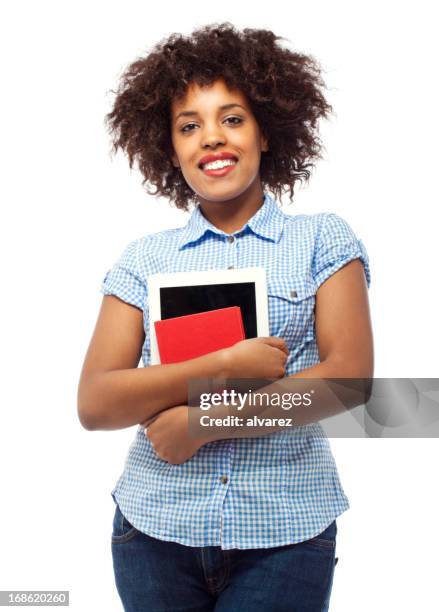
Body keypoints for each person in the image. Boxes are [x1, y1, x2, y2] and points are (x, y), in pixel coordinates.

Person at [77, 22, 373, 612]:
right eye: (190, 126)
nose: (211, 138)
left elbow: (348, 382)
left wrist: (205, 419)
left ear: (267, 134)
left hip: (285, 535)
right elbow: (96, 402)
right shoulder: (144, 258)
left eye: (232, 119)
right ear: (171, 148)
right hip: (153, 531)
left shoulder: (322, 241)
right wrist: (223, 364)